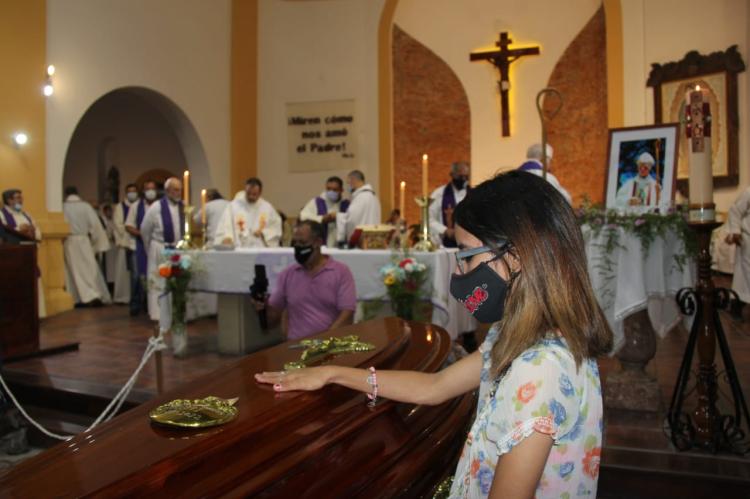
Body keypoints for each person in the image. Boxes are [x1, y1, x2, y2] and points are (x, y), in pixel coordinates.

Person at [257, 171, 613, 498]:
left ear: (516, 256)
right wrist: (333, 373)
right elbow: (436, 387)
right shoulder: (521, 337)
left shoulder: (539, 370)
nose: (460, 270)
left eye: (467, 255)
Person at [253, 220, 356, 340]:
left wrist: (323, 344)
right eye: (295, 243)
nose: (298, 247)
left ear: (318, 242)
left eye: (302, 242)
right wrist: (262, 308)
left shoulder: (341, 272)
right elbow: (271, 322)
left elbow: (347, 315)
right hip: (296, 349)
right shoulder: (288, 274)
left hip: (330, 347)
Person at [139, 177, 185, 320]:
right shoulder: (157, 207)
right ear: (167, 190)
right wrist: (150, 248)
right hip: (159, 247)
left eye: (180, 190)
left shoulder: (183, 206)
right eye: (175, 190)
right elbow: (145, 229)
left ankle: (174, 312)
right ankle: (157, 314)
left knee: (175, 282)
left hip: (177, 250)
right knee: (158, 282)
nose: (178, 193)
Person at [62, 186, 112, 306]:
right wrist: (96, 244)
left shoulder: (62, 207)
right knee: (89, 268)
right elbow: (95, 226)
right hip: (84, 241)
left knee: (73, 270)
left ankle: (78, 297)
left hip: (69, 240)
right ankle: (93, 294)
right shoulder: (86, 206)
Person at [0, 189, 46, 317]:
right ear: (9, 200)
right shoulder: (2, 215)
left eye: (21, 197)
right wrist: (19, 230)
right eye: (18, 198)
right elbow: (5, 232)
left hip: (29, 255)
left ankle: (36, 314)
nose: (21, 200)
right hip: (13, 257)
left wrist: (31, 231)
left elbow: (38, 232)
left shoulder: (27, 215)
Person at [214, 178, 282, 248]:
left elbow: (275, 226)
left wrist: (264, 233)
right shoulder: (233, 206)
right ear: (245, 190)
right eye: (248, 193)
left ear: (260, 193)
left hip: (260, 248)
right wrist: (227, 237)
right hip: (239, 247)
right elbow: (226, 224)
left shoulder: (267, 208)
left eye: (254, 194)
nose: (251, 196)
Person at [124, 179, 158, 316]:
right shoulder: (136, 206)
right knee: (137, 277)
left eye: (152, 189)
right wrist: (141, 234)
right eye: (147, 189)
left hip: (155, 246)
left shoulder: (160, 206)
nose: (150, 192)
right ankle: (136, 303)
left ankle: (150, 304)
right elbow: (128, 225)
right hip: (137, 245)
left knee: (154, 276)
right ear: (143, 192)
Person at [299, 176, 350, 247]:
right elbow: (303, 217)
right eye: (328, 189)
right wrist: (322, 219)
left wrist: (339, 217)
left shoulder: (346, 204)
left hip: (340, 245)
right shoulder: (317, 202)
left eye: (335, 190)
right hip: (321, 244)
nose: (331, 192)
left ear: (341, 190)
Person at [429, 161, 470, 247]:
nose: (464, 180)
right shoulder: (439, 194)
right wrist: (445, 230)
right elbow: (429, 219)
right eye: (460, 176)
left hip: (470, 245)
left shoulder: (472, 194)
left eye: (466, 177)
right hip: (446, 247)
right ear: (452, 175)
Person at [335, 170, 381, 246]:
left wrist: (337, 216)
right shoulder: (374, 197)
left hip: (361, 243)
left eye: (348, 183)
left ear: (353, 180)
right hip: (373, 241)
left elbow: (352, 220)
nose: (348, 186)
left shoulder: (360, 197)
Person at [725, 186, 750, 320]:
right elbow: (735, 211)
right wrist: (735, 231)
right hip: (748, 241)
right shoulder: (749, 192)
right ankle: (736, 305)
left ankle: (737, 303)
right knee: (746, 277)